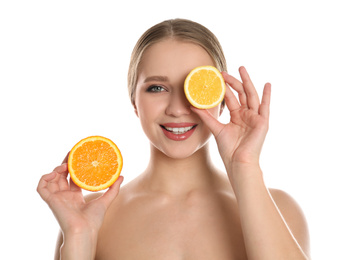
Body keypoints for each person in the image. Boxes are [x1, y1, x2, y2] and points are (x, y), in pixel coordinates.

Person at [37, 18, 311, 259]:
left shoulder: (280, 210)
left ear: (222, 99)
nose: (178, 108)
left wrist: (245, 165)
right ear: (134, 100)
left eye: (195, 88)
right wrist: (78, 238)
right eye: (157, 88)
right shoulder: (92, 218)